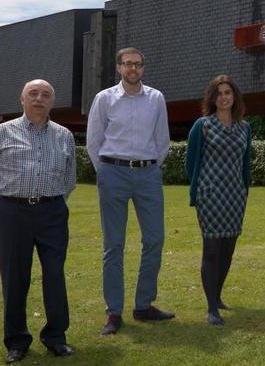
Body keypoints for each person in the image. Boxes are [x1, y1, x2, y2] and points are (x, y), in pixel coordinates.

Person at [0, 79, 76, 363]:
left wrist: (47, 203)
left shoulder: (64, 135)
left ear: (51, 102)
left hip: (53, 213)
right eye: (33, 93)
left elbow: (69, 180)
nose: (39, 98)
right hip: (13, 214)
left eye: (45, 95)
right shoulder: (0, 133)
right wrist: (12, 204)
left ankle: (56, 337)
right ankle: (17, 341)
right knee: (14, 277)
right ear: (22, 99)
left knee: (55, 275)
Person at [86, 47, 174, 336]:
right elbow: (94, 140)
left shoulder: (156, 98)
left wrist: (150, 167)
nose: (133, 69)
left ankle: (143, 304)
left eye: (137, 64)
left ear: (143, 68)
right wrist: (107, 172)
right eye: (127, 64)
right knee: (114, 245)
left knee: (155, 239)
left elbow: (162, 140)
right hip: (113, 172)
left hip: (148, 173)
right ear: (118, 67)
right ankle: (114, 311)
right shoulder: (104, 99)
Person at [185, 75, 252, 326]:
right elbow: (191, 163)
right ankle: (212, 307)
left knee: (228, 250)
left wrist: (244, 191)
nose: (224, 97)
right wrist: (201, 189)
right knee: (212, 250)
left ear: (234, 97)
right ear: (212, 98)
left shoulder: (245, 128)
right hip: (210, 196)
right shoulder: (202, 126)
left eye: (228, 93)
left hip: (235, 196)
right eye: (219, 93)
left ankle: (218, 295)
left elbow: (245, 165)